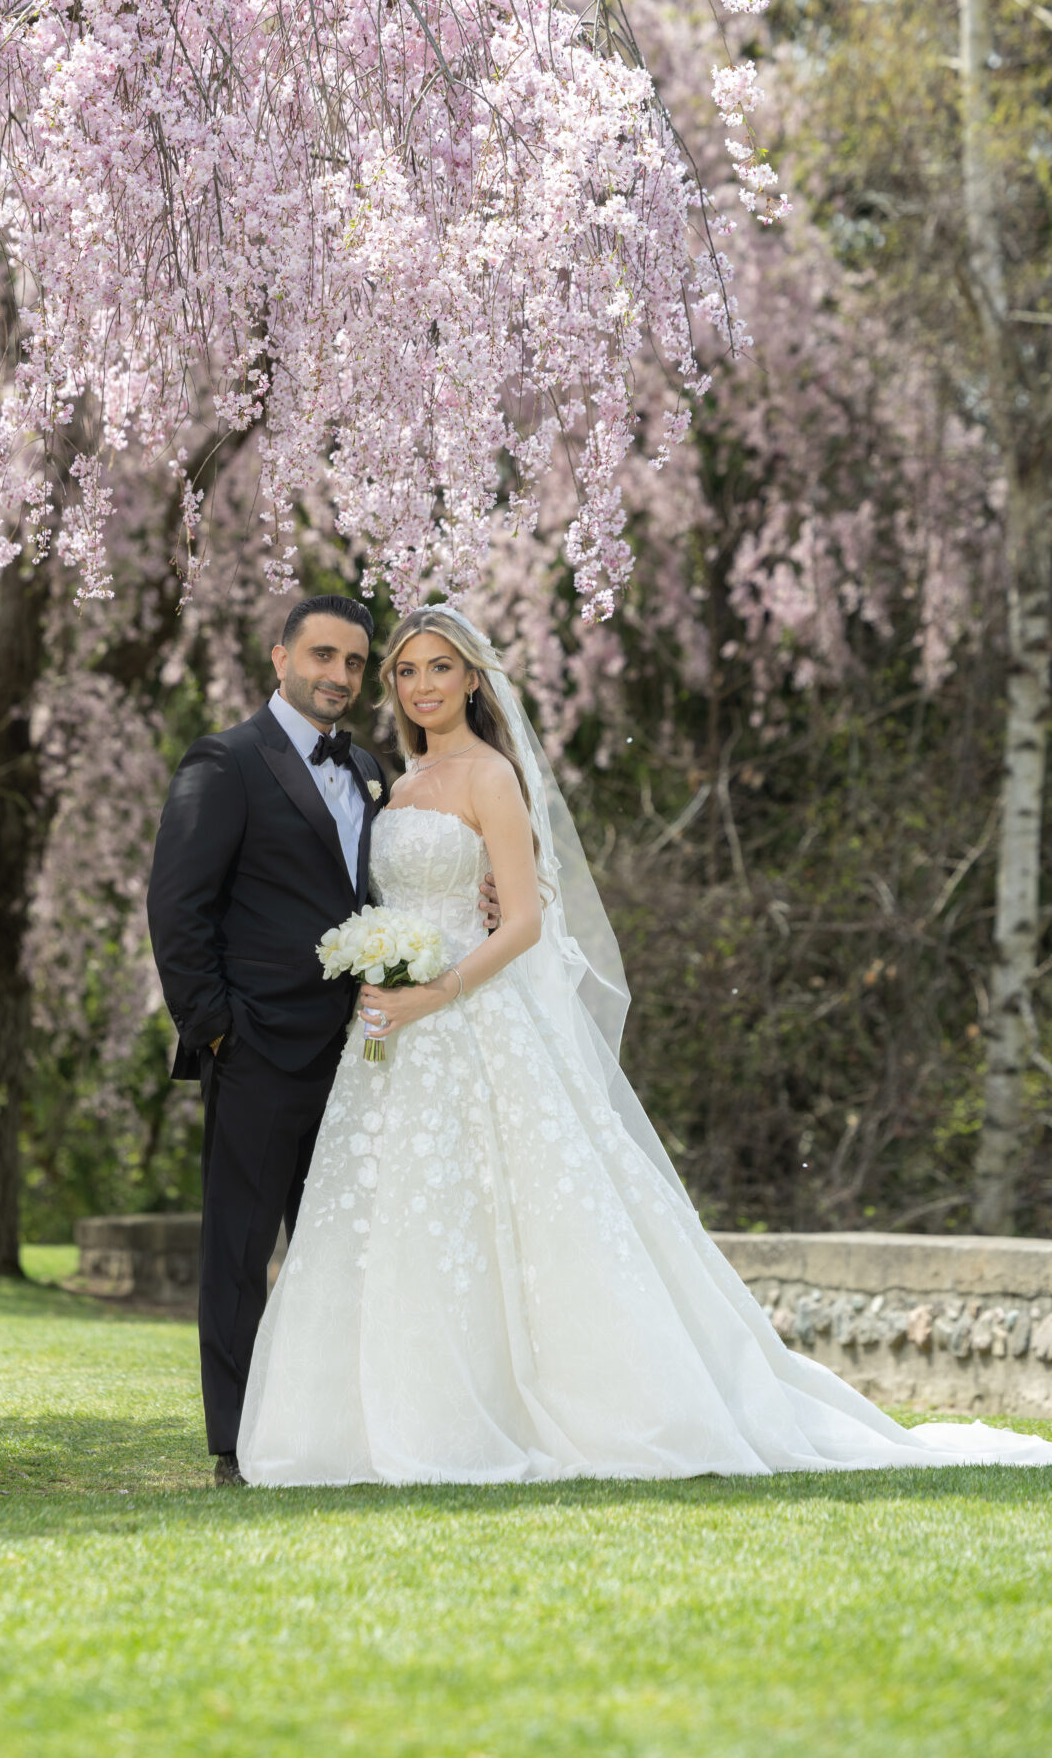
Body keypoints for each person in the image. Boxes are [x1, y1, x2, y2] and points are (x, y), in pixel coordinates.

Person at [237, 605, 1052, 1484]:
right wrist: (382, 970)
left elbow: (520, 924)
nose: (421, 686)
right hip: (392, 1043)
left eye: (440, 668)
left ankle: (544, 1407)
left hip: (467, 1020)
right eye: (405, 671)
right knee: (394, 1219)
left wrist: (433, 992)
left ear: (474, 679)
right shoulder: (396, 784)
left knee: (519, 1216)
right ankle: (386, 1416)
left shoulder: (489, 776)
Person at [146, 595, 496, 1485]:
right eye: (322, 656)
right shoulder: (224, 761)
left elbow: (396, 889)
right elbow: (177, 908)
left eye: (352, 662)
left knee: (346, 1249)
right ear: (280, 658)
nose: (338, 675)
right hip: (259, 1048)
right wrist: (218, 1030)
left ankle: (342, 1427)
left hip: (367, 1053)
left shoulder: (377, 770)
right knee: (238, 1253)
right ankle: (234, 1445)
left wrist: (481, 901)